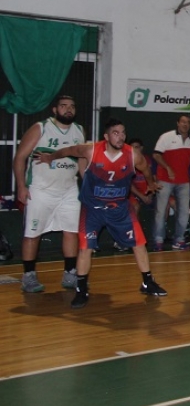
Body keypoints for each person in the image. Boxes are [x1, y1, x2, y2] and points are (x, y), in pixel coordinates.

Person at [37, 119, 167, 309]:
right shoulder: (91, 150)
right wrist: (50, 157)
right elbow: (69, 150)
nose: (121, 136)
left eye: (123, 132)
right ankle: (81, 290)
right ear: (106, 137)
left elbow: (146, 169)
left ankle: (148, 282)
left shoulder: (133, 155)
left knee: (139, 243)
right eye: (116, 133)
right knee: (85, 248)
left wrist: (150, 183)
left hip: (120, 209)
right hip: (93, 209)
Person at [13, 95, 86, 293]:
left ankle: (70, 273)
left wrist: (87, 182)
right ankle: (29, 276)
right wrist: (21, 186)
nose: (68, 110)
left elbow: (81, 160)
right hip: (41, 190)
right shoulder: (41, 127)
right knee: (32, 233)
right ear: (55, 110)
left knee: (71, 231)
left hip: (69, 190)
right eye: (64, 106)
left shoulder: (79, 130)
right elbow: (19, 158)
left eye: (72, 106)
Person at [151, 115, 190, 251]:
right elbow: (156, 155)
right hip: (165, 180)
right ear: (178, 123)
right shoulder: (166, 137)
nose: (185, 125)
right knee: (161, 211)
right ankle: (158, 240)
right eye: (183, 122)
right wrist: (167, 168)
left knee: (184, 211)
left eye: (188, 123)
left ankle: (179, 240)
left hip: (183, 182)